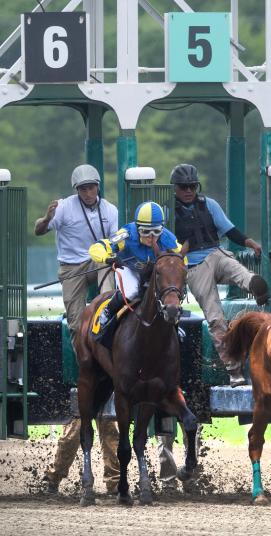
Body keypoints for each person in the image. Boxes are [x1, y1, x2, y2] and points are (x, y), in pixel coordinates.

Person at [35, 164, 120, 495]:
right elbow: (41, 230)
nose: (89, 192)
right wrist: (45, 217)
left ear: (98, 186)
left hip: (98, 261)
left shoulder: (108, 210)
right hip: (71, 264)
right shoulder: (65, 207)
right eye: (83, 188)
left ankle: (111, 327)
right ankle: (84, 347)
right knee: (75, 318)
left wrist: (113, 253)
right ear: (76, 189)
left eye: (93, 187)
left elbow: (116, 242)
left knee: (109, 285)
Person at [169, 163, 270, 387]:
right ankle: (234, 370)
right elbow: (166, 246)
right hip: (193, 266)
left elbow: (228, 230)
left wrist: (248, 241)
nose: (189, 191)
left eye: (192, 186)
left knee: (237, 270)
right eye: (184, 187)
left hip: (216, 252)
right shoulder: (168, 211)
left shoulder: (209, 205)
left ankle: (254, 286)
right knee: (215, 318)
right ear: (175, 188)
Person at [88, 201, 182, 341]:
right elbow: (98, 247)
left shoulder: (169, 240)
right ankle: (107, 312)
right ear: (137, 228)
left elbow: (182, 260)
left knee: (168, 292)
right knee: (131, 292)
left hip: (153, 272)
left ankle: (175, 325)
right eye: (145, 231)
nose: (151, 237)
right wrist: (108, 258)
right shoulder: (126, 235)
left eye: (156, 231)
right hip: (129, 268)